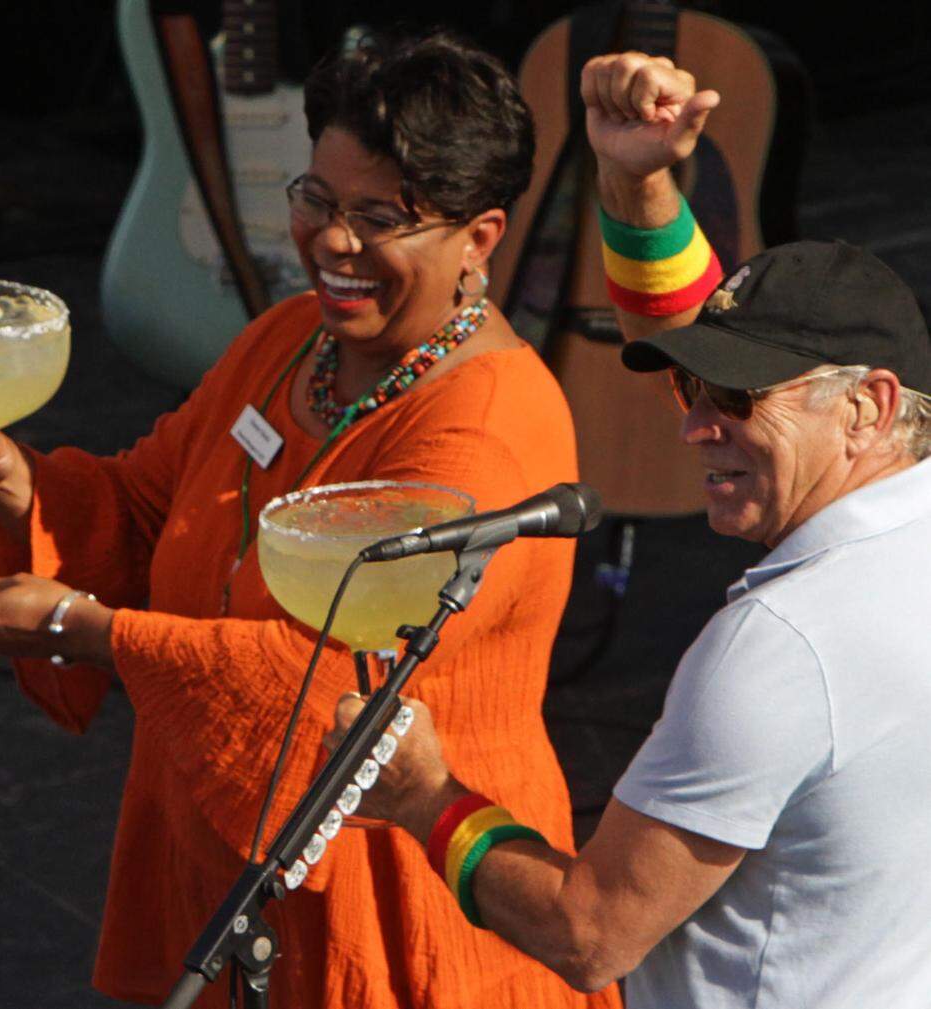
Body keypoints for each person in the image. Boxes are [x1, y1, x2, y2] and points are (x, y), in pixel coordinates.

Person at [0, 31, 621, 1009]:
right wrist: (19, 483)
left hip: (390, 889)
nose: (333, 241)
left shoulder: (486, 431)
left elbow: (327, 686)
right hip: (234, 874)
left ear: (482, 238)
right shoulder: (293, 339)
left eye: (379, 217)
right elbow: (152, 500)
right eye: (317, 200)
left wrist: (87, 630)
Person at [330, 52, 931, 1007]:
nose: (692, 424)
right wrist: (633, 178)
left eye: (732, 396)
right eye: (694, 388)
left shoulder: (781, 648)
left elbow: (591, 930)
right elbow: (706, 340)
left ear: (869, 408)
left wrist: (423, 796)